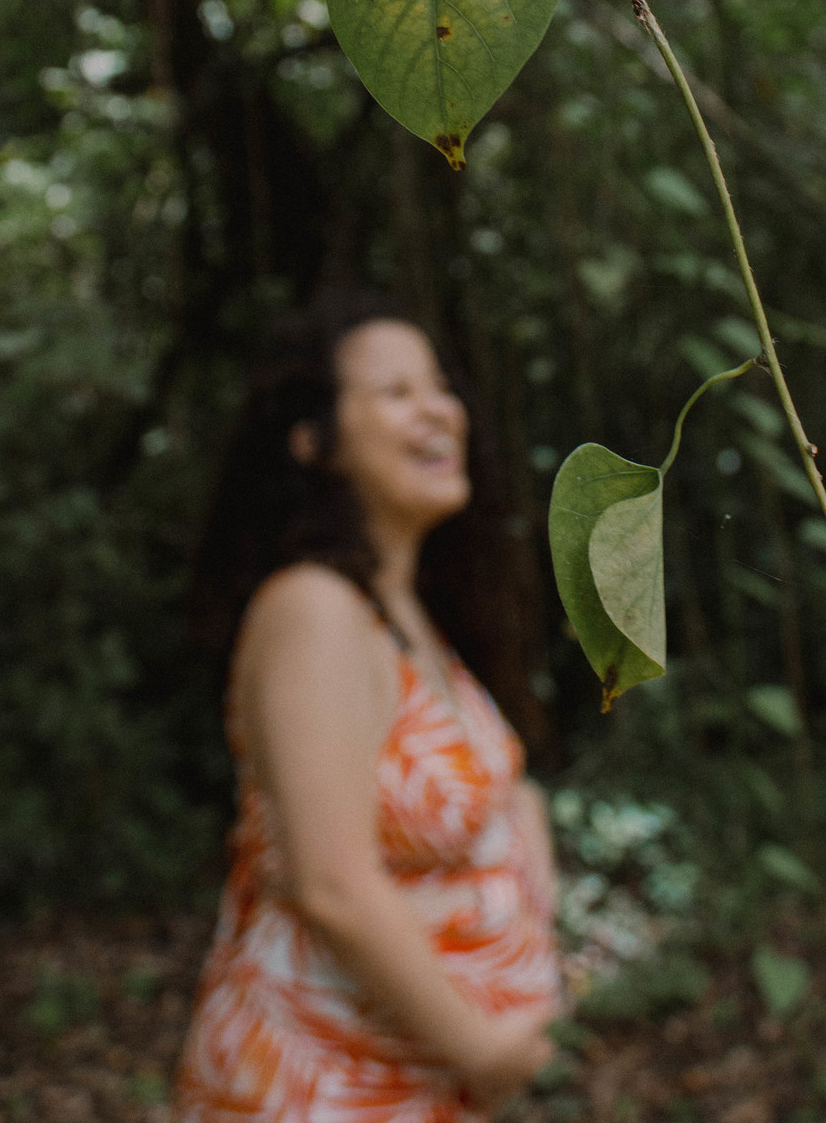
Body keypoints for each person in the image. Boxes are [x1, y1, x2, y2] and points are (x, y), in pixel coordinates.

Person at [175, 294, 561, 1122]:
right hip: (317, 1084)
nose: (439, 412)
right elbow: (332, 881)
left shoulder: (408, 614)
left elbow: (487, 790)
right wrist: (482, 1049)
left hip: (405, 1085)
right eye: (396, 393)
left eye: (439, 388)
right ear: (315, 442)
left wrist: (526, 859)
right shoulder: (313, 608)